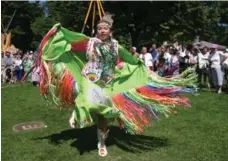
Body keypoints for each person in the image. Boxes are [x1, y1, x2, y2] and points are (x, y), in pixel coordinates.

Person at [37, 13, 197, 157]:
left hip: (107, 81)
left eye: (105, 28)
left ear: (110, 31)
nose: (102, 31)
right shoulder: (88, 43)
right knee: (85, 97)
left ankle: (101, 143)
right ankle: (79, 113)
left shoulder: (115, 46)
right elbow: (70, 44)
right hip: (89, 77)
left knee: (103, 117)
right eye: (99, 28)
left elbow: (125, 59)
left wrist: (130, 65)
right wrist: (59, 34)